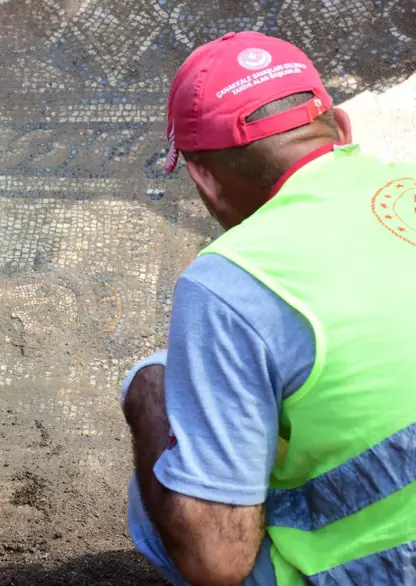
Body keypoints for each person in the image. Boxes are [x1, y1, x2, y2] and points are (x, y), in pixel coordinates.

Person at [120, 31, 416, 585]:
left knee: (162, 410)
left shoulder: (230, 283)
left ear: (203, 179)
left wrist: (148, 395)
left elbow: (217, 563)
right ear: (342, 129)